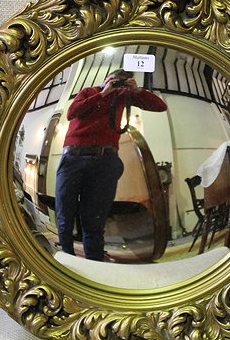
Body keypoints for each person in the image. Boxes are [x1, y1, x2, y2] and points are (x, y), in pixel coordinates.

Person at [55, 69, 168, 261]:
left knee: (95, 220)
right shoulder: (89, 92)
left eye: (121, 82)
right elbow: (72, 113)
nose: (116, 85)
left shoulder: (123, 97)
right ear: (106, 79)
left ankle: (95, 267)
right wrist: (103, 94)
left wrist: (137, 91)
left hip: (104, 161)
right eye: (114, 80)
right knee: (64, 213)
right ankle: (66, 262)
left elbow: (160, 107)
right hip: (73, 158)